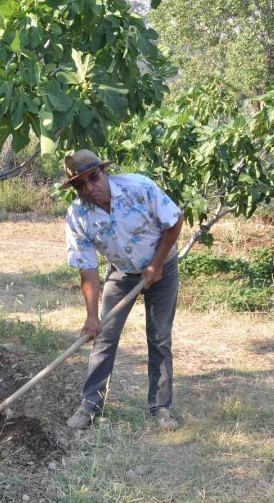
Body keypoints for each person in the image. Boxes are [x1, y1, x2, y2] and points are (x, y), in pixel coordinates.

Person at [61, 149, 184, 431]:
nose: (89, 188)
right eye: (80, 184)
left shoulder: (139, 187)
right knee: (104, 336)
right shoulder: (78, 215)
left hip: (161, 265)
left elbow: (174, 220)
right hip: (122, 271)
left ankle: (161, 407)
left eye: (93, 178)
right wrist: (92, 316)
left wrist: (156, 265)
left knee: (159, 335)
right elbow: (87, 268)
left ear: (104, 172)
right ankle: (90, 406)